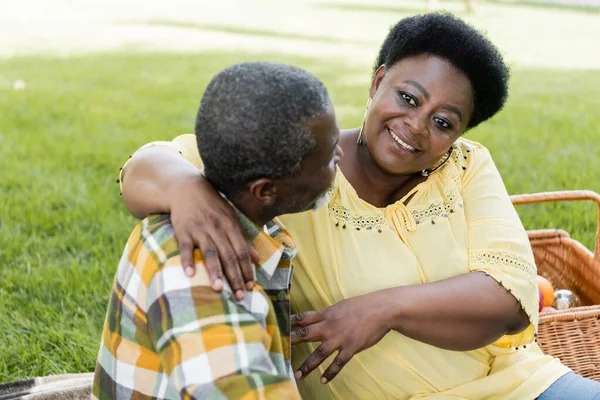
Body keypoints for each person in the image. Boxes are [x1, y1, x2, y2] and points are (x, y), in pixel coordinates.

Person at [116, 13, 600, 400]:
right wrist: (186, 189)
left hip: (518, 387)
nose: (415, 126)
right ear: (378, 81)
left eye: (444, 122)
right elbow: (142, 167)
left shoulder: (466, 167)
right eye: (408, 98)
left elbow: (508, 303)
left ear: (460, 134)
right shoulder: (297, 165)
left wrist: (381, 309)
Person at [92, 61, 343, 399]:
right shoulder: (205, 273)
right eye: (328, 159)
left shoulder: (195, 206)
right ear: (265, 191)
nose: (340, 155)